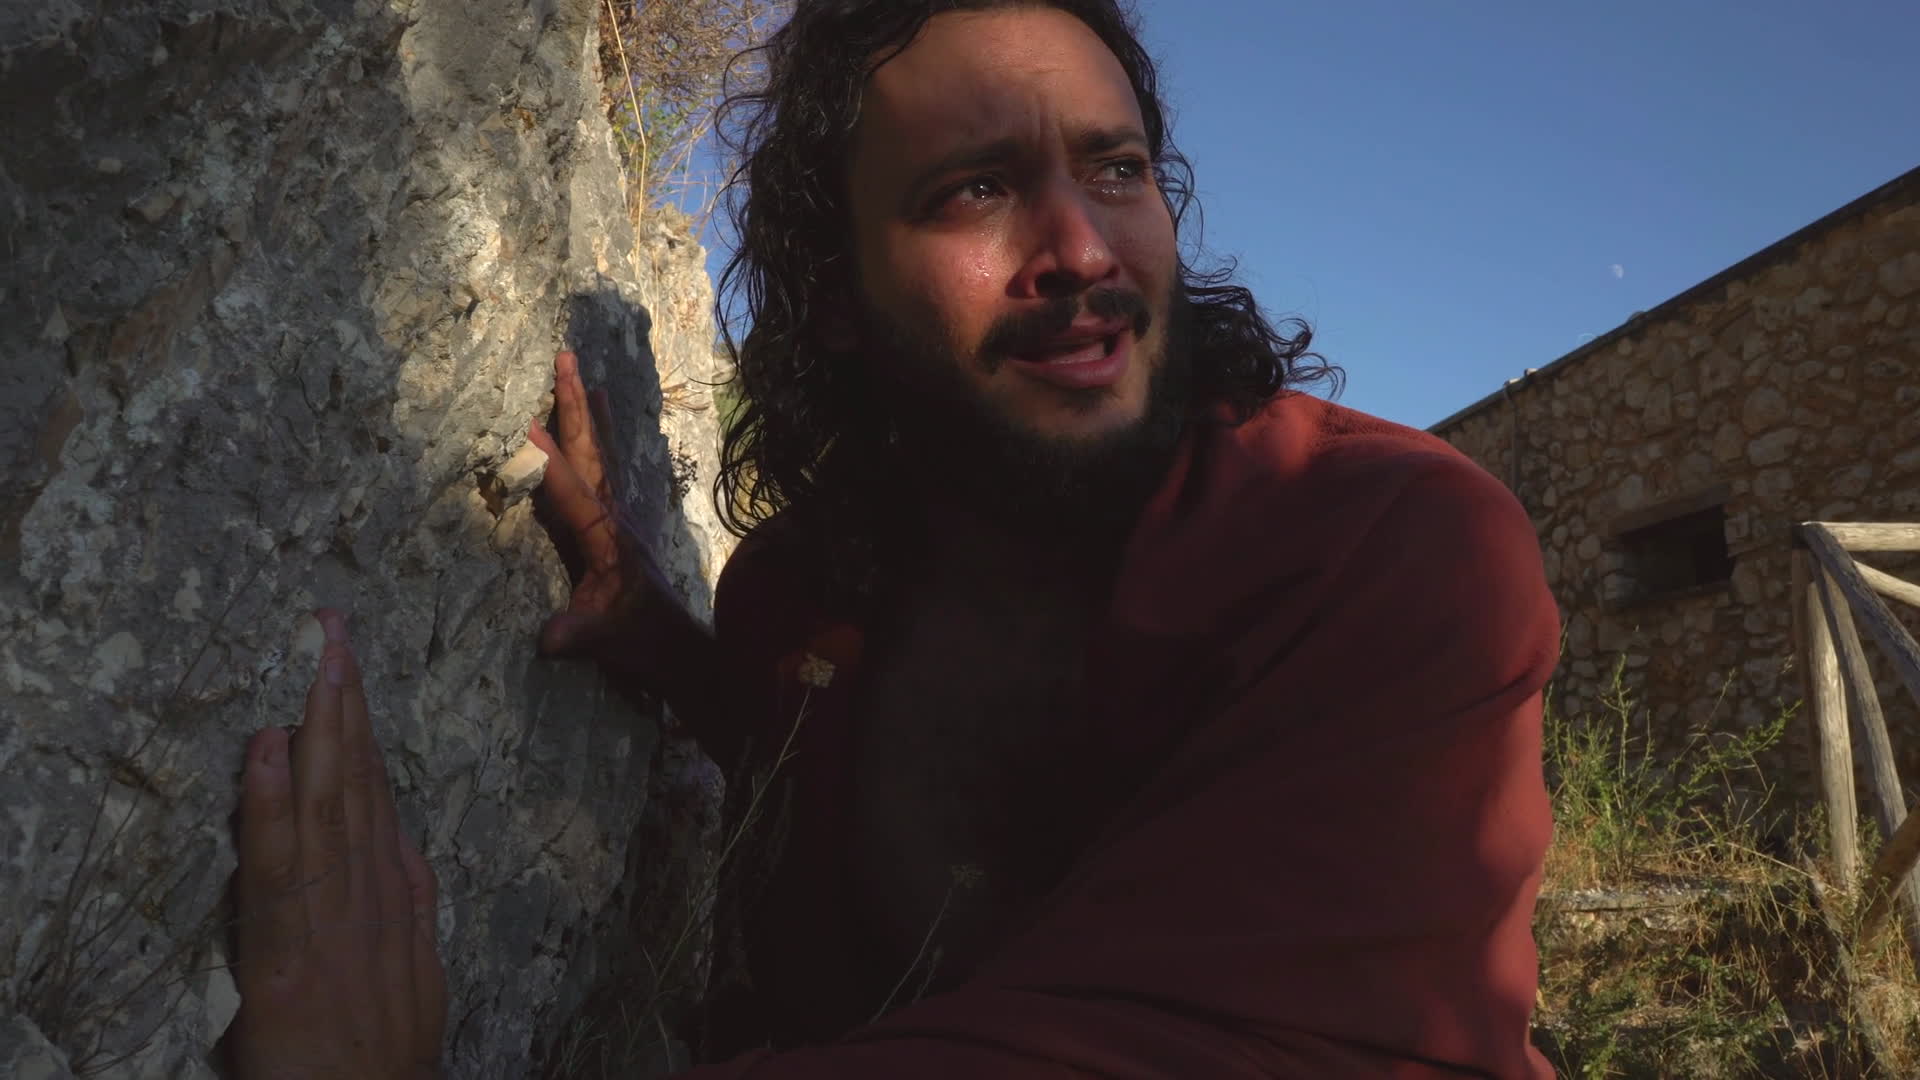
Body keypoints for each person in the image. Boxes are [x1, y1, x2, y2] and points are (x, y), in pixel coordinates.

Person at [226, 1, 1562, 1076]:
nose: (1080, 247)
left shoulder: (1391, 549)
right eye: (975, 190)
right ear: (835, 295)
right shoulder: (803, 590)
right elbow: (804, 737)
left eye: (1118, 168)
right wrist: (653, 634)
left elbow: (1244, 1044)